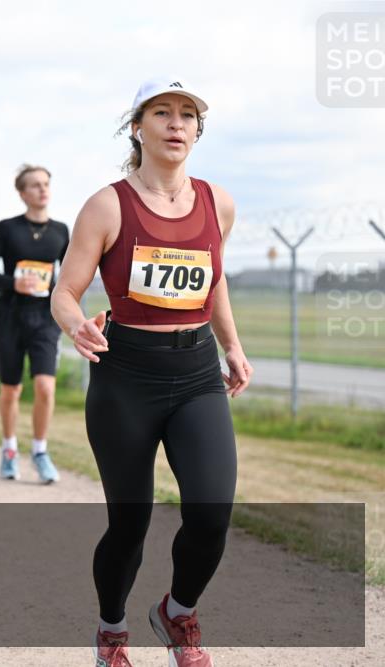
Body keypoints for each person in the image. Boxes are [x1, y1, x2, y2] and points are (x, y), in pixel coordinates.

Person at [51, 77, 253, 667]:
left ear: (197, 130)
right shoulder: (108, 204)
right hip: (125, 376)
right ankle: (112, 630)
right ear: (136, 127)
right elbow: (66, 291)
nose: (175, 123)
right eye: (161, 112)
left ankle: (178, 612)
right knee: (129, 522)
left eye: (187, 114)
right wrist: (74, 324)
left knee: (212, 512)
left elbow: (212, 279)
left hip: (195, 373)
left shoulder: (220, 203)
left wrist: (232, 346)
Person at [0, 165, 69, 483]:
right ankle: (9, 450)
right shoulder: (7, 228)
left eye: (46, 183)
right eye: (34, 185)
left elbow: (71, 274)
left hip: (45, 317)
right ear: (22, 193)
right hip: (10, 316)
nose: (42, 190)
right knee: (11, 389)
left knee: (45, 387)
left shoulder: (61, 231)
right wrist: (12, 283)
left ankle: (40, 451)